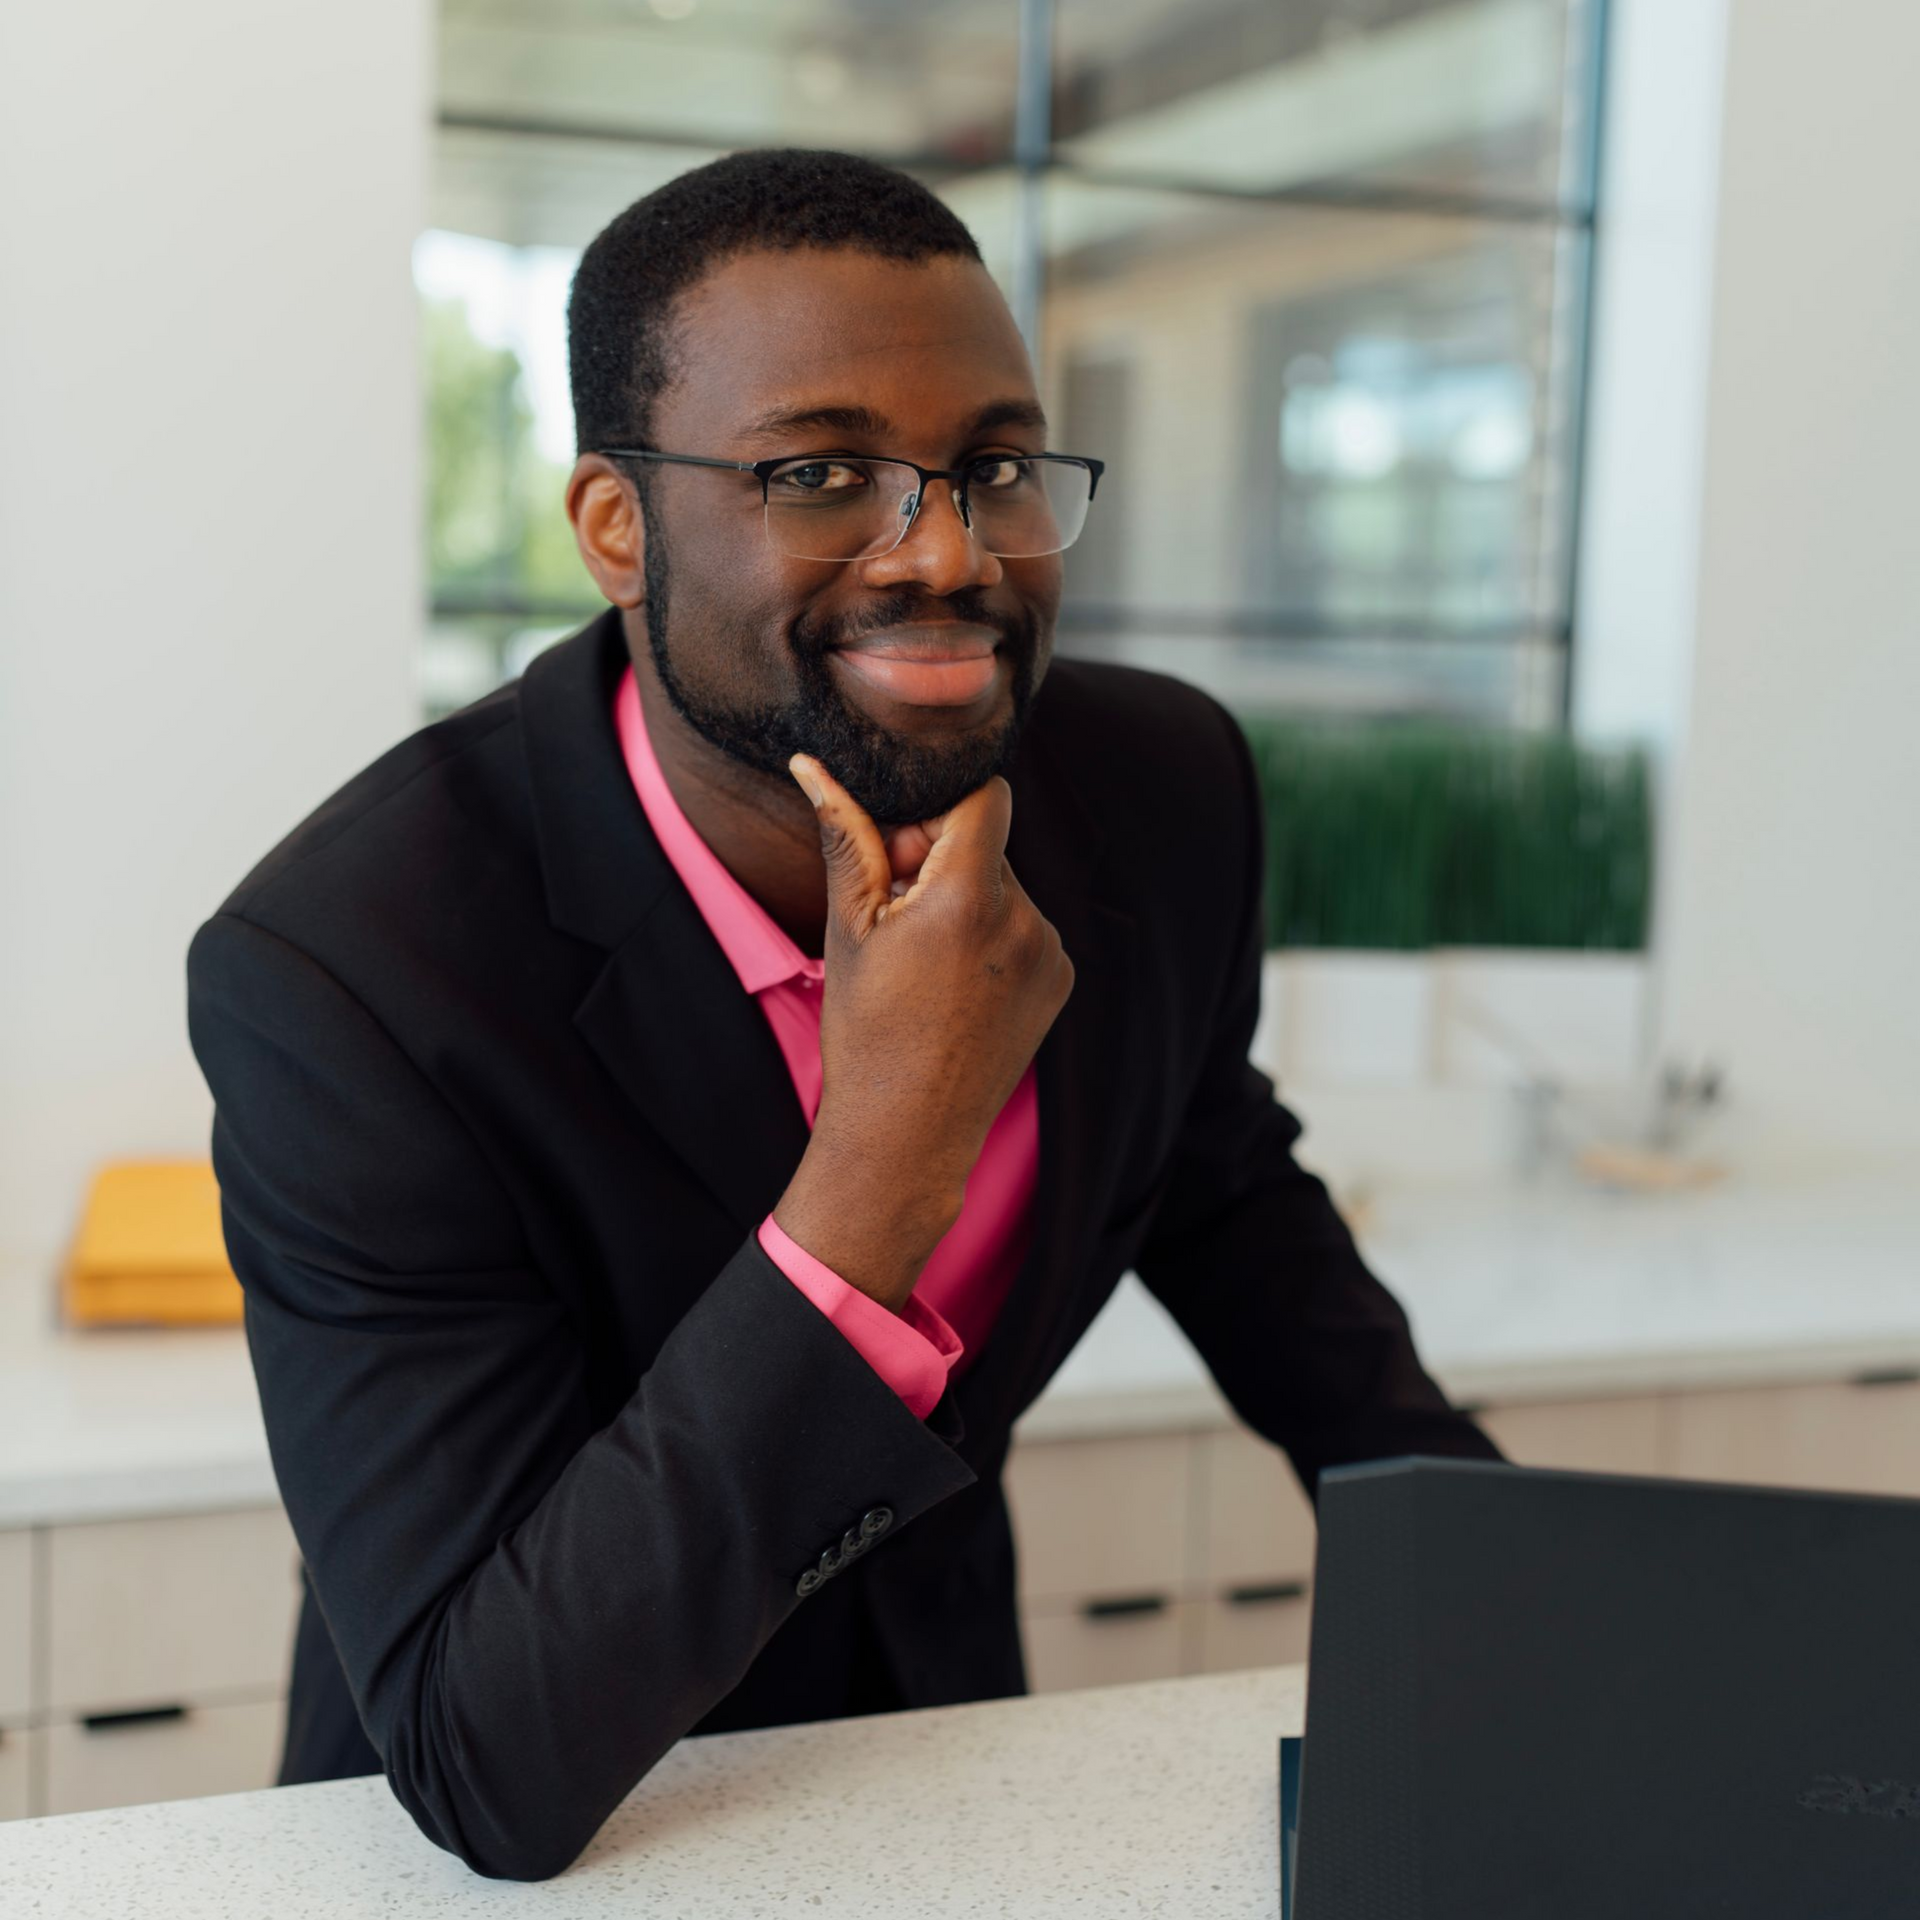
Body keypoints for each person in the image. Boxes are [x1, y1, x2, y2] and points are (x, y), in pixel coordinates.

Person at [186, 146, 1499, 1883]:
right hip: (553, 1817)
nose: (946, 551)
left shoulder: (1162, 788)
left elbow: (1223, 1191)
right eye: (822, 472)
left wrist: (1531, 1599)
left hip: (937, 1764)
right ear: (615, 529)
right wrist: (889, 1145)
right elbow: (481, 1756)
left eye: (993, 467)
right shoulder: (357, 971)